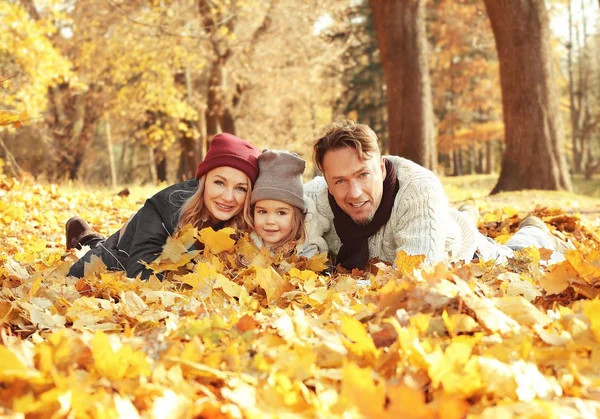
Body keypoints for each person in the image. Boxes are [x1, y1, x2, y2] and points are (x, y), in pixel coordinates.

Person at [303, 120, 574, 270]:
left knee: (517, 257)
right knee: (455, 220)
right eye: (340, 181)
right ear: (326, 182)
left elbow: (416, 274)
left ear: (382, 168)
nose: (354, 193)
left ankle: (534, 232)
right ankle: (463, 215)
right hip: (434, 226)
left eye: (363, 175)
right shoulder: (315, 198)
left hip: (463, 254)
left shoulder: (418, 188)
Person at [66, 133, 261, 280]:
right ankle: (86, 239)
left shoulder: (251, 217)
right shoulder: (163, 208)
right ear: (203, 180)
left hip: (141, 240)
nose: (228, 197)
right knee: (78, 275)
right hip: (119, 257)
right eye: (219, 182)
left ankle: (92, 239)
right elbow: (139, 274)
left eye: (240, 188)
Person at [249, 149, 326, 258]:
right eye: (262, 211)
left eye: (281, 213)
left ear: (296, 216)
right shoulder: (247, 246)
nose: (270, 221)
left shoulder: (307, 251)